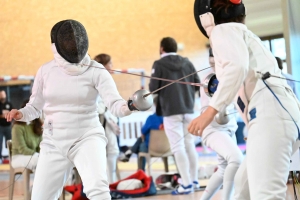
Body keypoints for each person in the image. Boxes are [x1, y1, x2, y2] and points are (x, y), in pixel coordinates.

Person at [5, 19, 139, 200]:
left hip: (87, 137)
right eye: (68, 41)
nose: (73, 44)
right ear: (58, 45)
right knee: (40, 197)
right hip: (53, 142)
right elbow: (35, 107)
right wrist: (21, 114)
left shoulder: (96, 70)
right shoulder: (45, 71)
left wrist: (131, 105)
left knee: (98, 192)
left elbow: (116, 105)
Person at [191, 1, 300, 199]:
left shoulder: (222, 31)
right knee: (242, 189)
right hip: (279, 117)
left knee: (266, 195)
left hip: (271, 117)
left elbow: (237, 67)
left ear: (207, 15)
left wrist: (210, 112)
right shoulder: (243, 35)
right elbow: (239, 73)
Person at [149, 37, 201, 195]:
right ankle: (194, 180)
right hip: (189, 109)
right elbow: (197, 83)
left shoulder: (159, 64)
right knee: (189, 144)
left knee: (178, 147)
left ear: (161, 48)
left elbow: (153, 89)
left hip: (171, 111)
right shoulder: (187, 62)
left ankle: (186, 184)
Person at [199, 48, 243, 200]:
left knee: (224, 169)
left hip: (230, 129)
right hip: (213, 130)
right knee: (236, 159)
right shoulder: (209, 79)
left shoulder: (232, 76)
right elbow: (208, 112)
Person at [94, 53, 120, 184]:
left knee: (113, 150)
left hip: (108, 121)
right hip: (96, 122)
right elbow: (97, 104)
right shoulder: (95, 79)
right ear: (103, 66)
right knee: (98, 155)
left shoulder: (109, 81)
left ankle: (112, 183)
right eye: (110, 63)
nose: (112, 66)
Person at [119, 96, 163, 171]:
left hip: (150, 147)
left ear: (155, 104)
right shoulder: (169, 118)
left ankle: (140, 173)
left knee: (140, 147)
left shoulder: (151, 118)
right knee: (141, 141)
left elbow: (143, 131)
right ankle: (130, 152)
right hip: (167, 147)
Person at [11, 100, 42, 171]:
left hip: (34, 156)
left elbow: (40, 146)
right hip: (19, 157)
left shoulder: (36, 126)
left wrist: (42, 154)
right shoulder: (17, 127)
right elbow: (22, 149)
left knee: (49, 160)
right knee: (41, 161)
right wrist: (38, 155)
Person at [0, 90, 13, 163]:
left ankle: (11, 157)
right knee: (0, 142)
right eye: (1, 94)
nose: (2, 96)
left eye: (3, 94)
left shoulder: (9, 104)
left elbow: (12, 114)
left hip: (8, 126)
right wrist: (4, 115)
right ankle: (0, 159)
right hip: (0, 126)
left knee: (10, 142)